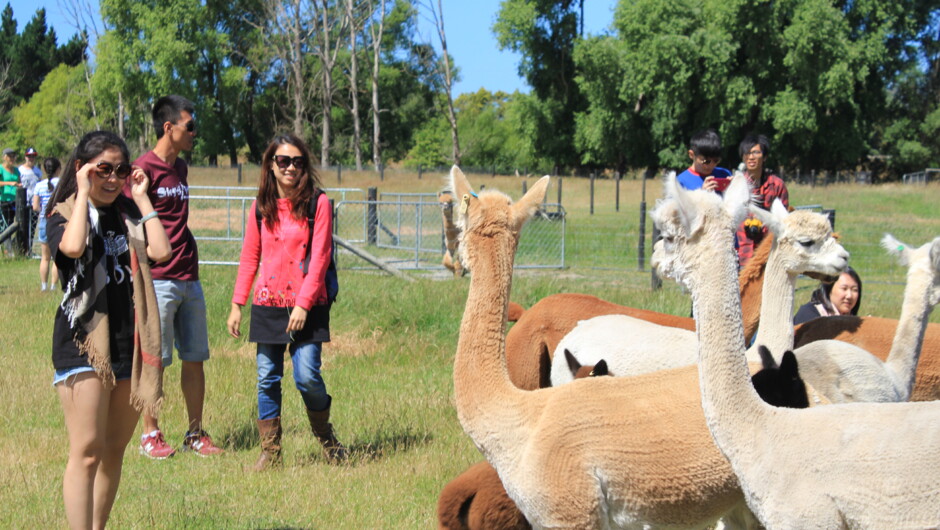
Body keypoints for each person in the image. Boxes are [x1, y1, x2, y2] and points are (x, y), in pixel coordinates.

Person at [45, 130, 171, 529]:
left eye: (121, 169)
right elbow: (74, 248)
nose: (114, 178)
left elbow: (162, 251)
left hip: (126, 347)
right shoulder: (64, 213)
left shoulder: (128, 215)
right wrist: (83, 192)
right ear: (84, 170)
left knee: (113, 451)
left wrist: (142, 197)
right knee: (86, 451)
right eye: (104, 169)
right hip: (84, 345)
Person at [227, 133, 347, 470]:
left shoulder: (318, 203)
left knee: (306, 376)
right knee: (267, 377)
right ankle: (271, 452)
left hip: (307, 304)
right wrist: (238, 303)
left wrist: (304, 305)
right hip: (268, 304)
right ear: (271, 165)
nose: (290, 167)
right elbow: (250, 256)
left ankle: (327, 439)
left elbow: (321, 257)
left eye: (297, 161)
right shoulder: (260, 206)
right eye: (283, 161)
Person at [128, 95, 223, 458]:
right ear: (169, 128)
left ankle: (195, 433)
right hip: (158, 279)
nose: (195, 132)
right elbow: (131, 224)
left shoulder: (181, 168)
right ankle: (150, 434)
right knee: (155, 358)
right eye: (190, 126)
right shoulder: (141, 169)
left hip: (189, 276)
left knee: (194, 356)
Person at [735, 134, 790, 268]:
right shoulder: (735, 185)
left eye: (756, 152)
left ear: (764, 157)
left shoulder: (777, 185)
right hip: (741, 254)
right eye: (747, 153)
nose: (751, 157)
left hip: (768, 255)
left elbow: (783, 223)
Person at [793, 267, 863, 325]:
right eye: (844, 288)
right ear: (829, 289)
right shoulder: (809, 314)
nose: (849, 296)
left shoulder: (855, 323)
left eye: (855, 290)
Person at [33, 157, 62, 290]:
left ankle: (43, 285)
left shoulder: (39, 185)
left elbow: (35, 206)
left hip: (44, 220)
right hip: (59, 220)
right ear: (58, 169)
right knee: (57, 257)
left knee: (45, 257)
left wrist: (43, 212)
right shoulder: (62, 183)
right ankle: (53, 286)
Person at [676, 129, 732, 193]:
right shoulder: (680, 182)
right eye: (706, 161)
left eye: (716, 161)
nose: (711, 165)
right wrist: (702, 194)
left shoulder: (724, 174)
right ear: (691, 155)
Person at [0, 147, 21, 228]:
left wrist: (19, 185)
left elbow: (19, 182)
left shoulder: (16, 170)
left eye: (13, 156)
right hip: (4, 200)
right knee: (5, 224)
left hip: (16, 200)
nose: (12, 159)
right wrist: (9, 183)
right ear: (4, 157)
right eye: (10, 156)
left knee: (14, 223)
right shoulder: (1, 169)